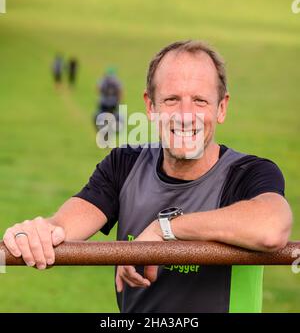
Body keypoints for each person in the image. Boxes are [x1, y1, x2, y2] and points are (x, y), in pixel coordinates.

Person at [3, 40, 292, 313]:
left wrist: (164, 229)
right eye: (171, 99)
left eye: (200, 101)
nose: (185, 115)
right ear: (151, 107)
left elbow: (272, 227)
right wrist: (38, 233)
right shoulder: (125, 164)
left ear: (222, 108)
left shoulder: (248, 173)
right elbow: (62, 228)